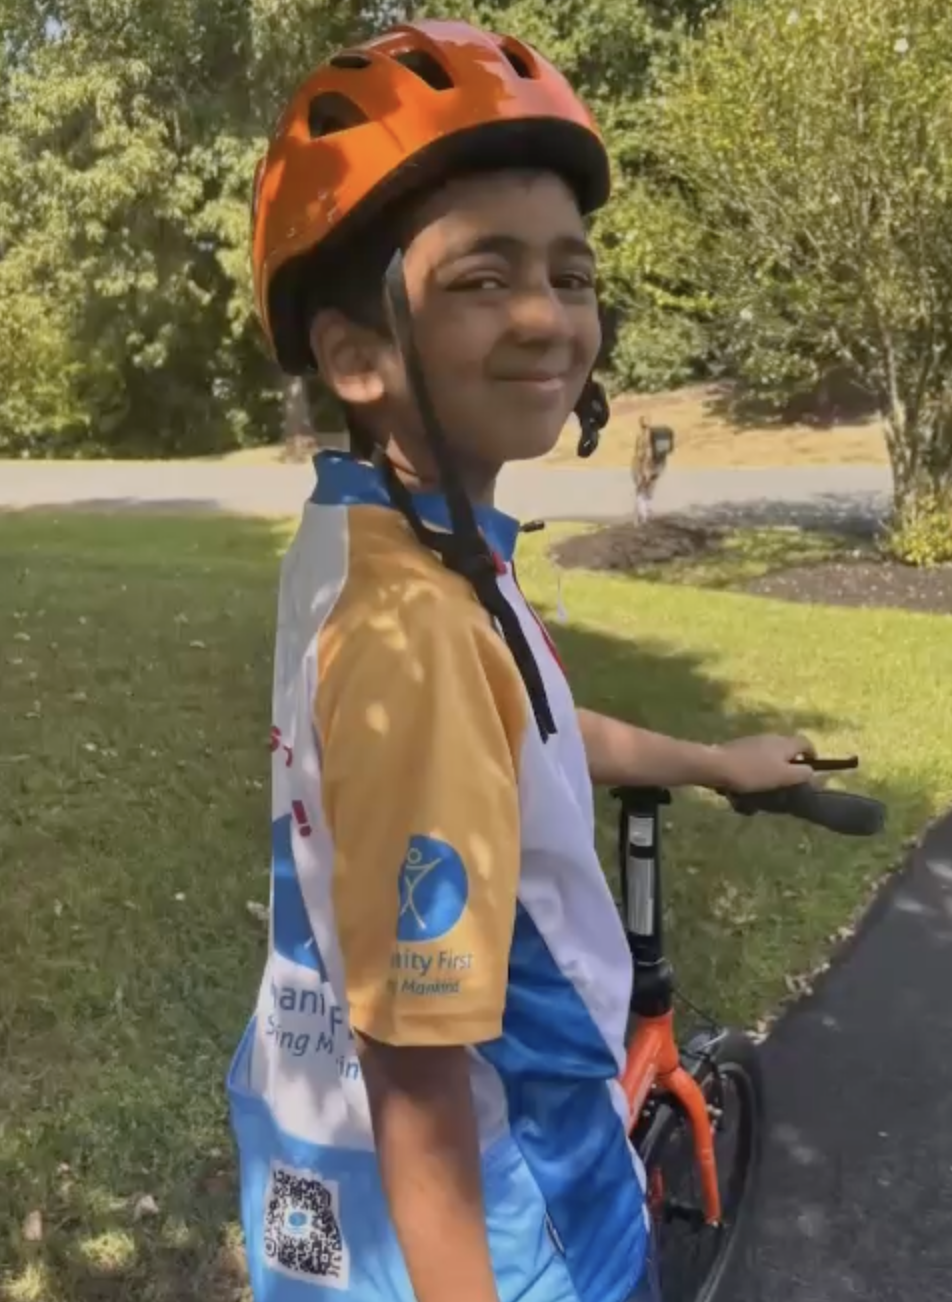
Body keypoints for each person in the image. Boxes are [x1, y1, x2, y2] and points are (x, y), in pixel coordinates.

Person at [229, 19, 815, 1302]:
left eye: (573, 273)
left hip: (320, 1173)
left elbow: (530, 730)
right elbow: (423, 1084)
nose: (549, 317)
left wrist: (713, 757)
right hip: (515, 1212)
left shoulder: (374, 539)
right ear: (357, 354)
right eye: (483, 278)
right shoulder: (421, 634)